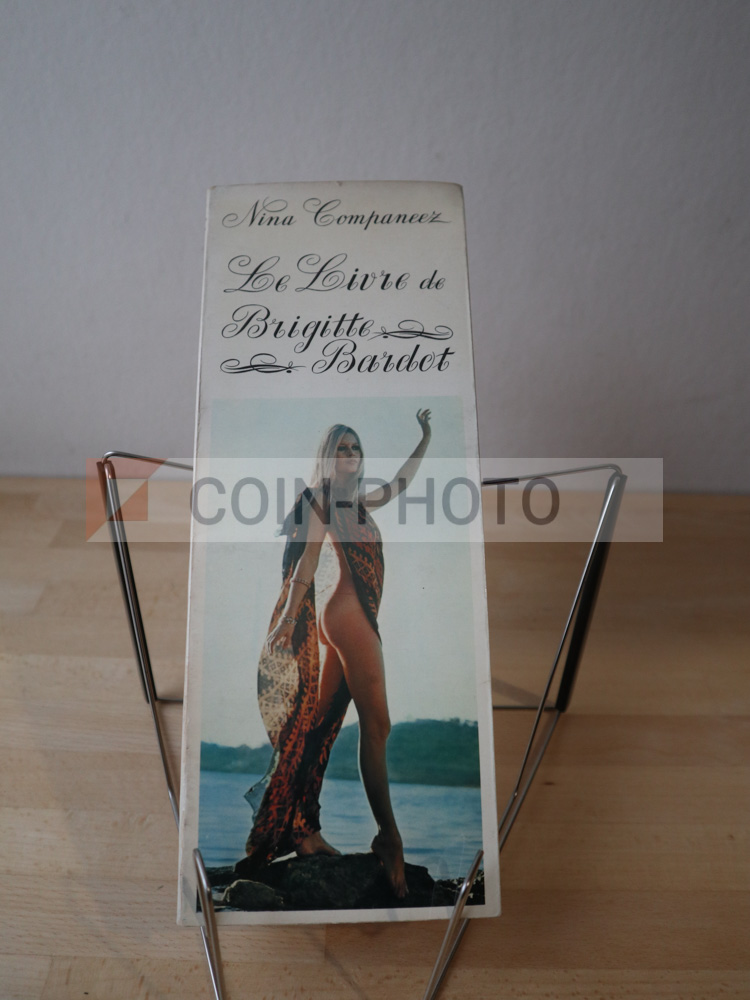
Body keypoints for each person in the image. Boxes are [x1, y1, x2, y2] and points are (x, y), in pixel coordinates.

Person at [242, 410, 432, 898]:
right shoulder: (322, 499)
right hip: (347, 617)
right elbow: (306, 562)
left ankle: (303, 830)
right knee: (379, 726)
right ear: (328, 456)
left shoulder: (358, 502)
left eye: (356, 447)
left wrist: (425, 437)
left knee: (321, 725)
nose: (350, 454)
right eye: (341, 448)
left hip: (352, 617)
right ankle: (388, 837)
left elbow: (401, 482)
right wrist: (287, 620)